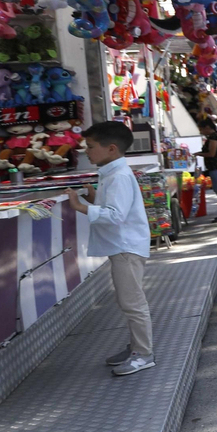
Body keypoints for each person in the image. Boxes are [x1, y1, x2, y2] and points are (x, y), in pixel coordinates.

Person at [64, 122, 154, 377]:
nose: (86, 152)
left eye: (90, 147)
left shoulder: (119, 177)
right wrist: (93, 199)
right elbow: (115, 208)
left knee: (132, 302)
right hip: (123, 246)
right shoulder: (111, 173)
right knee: (128, 300)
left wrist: (81, 207)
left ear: (111, 149)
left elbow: (115, 215)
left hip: (126, 247)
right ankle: (137, 347)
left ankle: (144, 353)